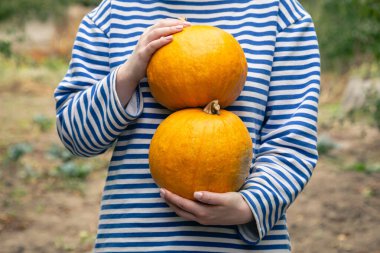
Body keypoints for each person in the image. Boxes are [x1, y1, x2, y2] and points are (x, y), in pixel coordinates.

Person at [54, 0, 320, 252]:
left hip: (237, 244)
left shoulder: (280, 15)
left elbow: (292, 142)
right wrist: (129, 72)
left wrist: (249, 205)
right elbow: (76, 137)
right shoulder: (112, 15)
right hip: (135, 240)